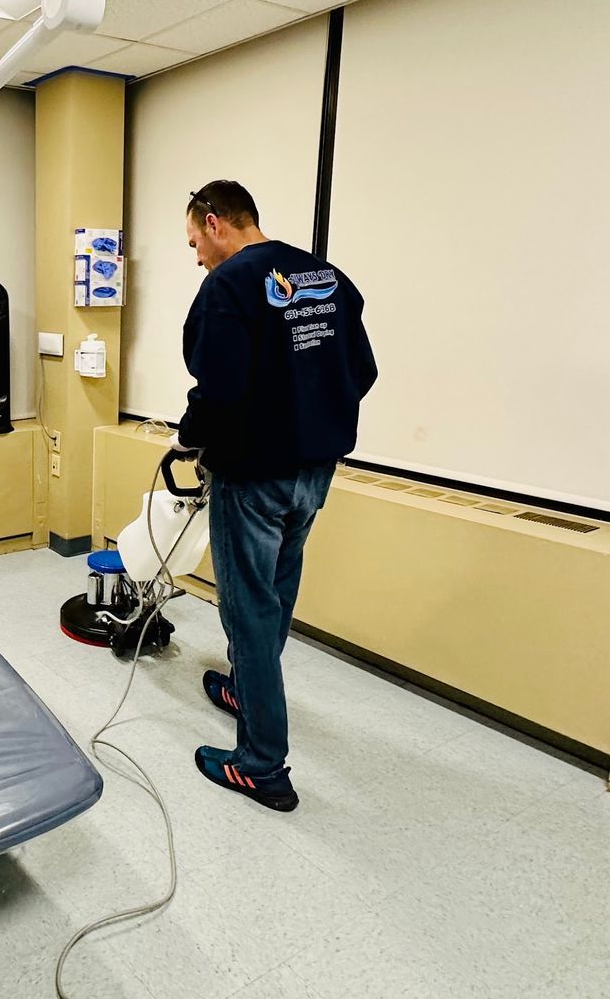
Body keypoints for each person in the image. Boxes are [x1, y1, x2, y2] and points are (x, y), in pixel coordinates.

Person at [174, 179, 377, 812]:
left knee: (249, 609)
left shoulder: (228, 286)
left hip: (254, 476)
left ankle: (261, 765)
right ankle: (247, 688)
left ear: (215, 222)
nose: (197, 258)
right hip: (315, 471)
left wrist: (189, 437)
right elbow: (362, 370)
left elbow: (218, 388)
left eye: (194, 242)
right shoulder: (327, 278)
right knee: (278, 592)